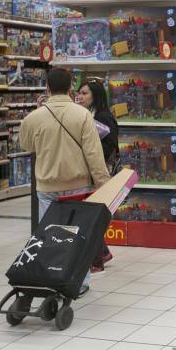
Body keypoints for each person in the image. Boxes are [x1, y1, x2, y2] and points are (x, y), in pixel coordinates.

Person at [19, 68, 110, 296]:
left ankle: (51, 275)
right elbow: (93, 154)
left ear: (47, 88)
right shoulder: (82, 115)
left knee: (49, 236)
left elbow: (26, 146)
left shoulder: (34, 117)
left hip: (47, 188)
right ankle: (80, 282)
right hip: (77, 187)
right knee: (79, 236)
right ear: (71, 87)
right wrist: (103, 184)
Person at [76, 78, 119, 273]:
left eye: (85, 93)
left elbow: (108, 147)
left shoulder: (103, 117)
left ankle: (96, 260)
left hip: (100, 172)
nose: (80, 96)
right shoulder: (85, 114)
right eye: (79, 93)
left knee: (90, 216)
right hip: (88, 171)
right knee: (89, 215)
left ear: (96, 95)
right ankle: (102, 253)